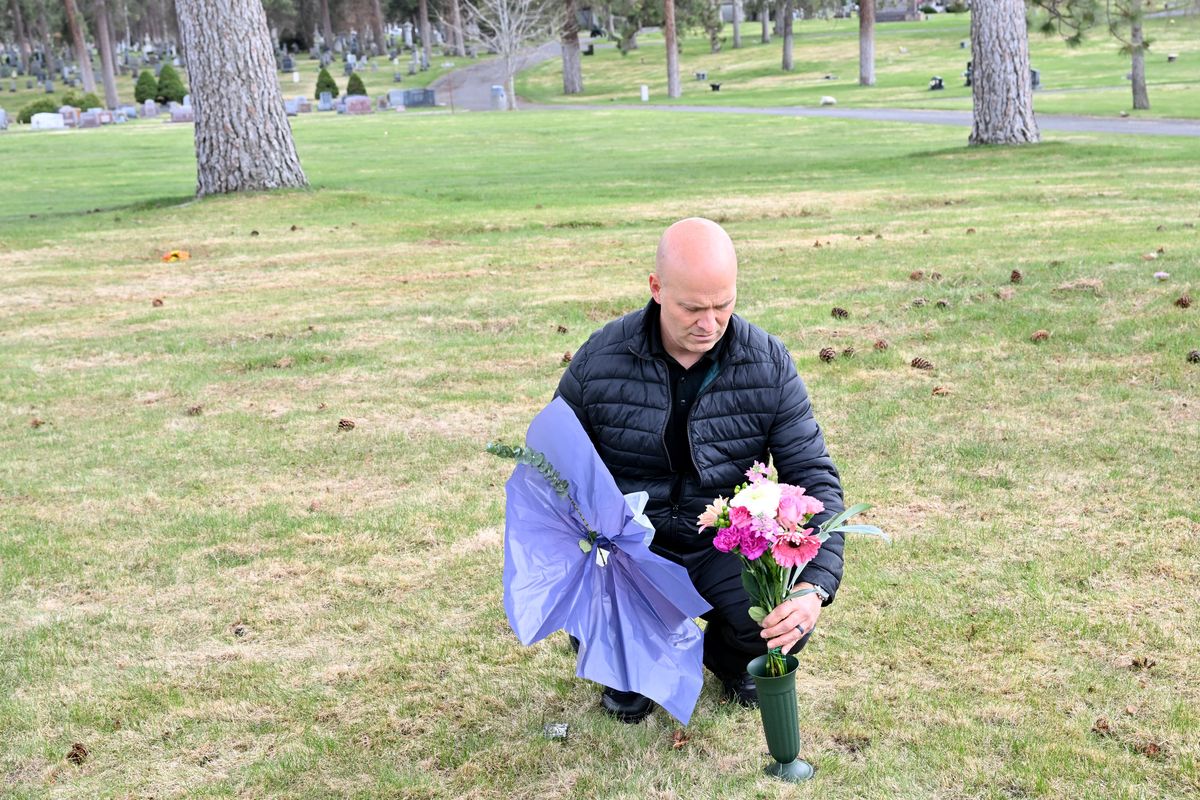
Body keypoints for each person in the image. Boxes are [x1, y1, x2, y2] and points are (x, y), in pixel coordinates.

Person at [555, 217, 845, 723]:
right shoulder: (598, 361)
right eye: (691, 307)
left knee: (774, 622)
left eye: (723, 305)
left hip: (725, 547)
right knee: (625, 693)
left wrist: (812, 587)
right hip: (630, 550)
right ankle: (632, 662)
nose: (709, 324)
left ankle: (730, 660)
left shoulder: (768, 363)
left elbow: (815, 476)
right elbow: (553, 470)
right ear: (656, 288)